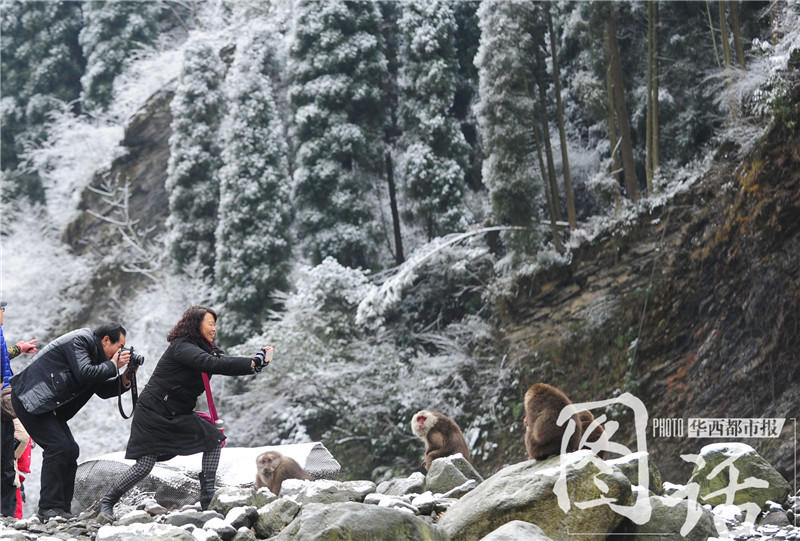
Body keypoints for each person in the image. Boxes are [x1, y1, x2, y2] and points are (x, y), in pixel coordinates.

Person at [96, 306, 271, 522]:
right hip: (153, 411)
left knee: (213, 439)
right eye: (210, 323)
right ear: (195, 325)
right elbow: (211, 364)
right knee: (144, 465)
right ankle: (107, 502)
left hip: (178, 412)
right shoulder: (182, 347)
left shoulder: (204, 349)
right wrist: (252, 362)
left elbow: (221, 361)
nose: (214, 329)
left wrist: (254, 364)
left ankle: (207, 496)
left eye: (215, 324)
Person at [9, 323, 134, 521]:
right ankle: (48, 508)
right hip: (30, 399)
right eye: (120, 347)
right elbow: (85, 372)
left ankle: (61, 510)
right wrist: (113, 365)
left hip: (48, 406)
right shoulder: (80, 340)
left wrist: (126, 377)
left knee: (70, 449)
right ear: (106, 340)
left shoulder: (99, 357)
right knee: (59, 447)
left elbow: (102, 390)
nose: (121, 352)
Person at [0, 300, 37, 517]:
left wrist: (19, 349)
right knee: (20, 438)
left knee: (21, 437)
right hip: (3, 394)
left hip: (5, 390)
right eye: (2, 309)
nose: (3, 313)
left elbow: (2, 357)